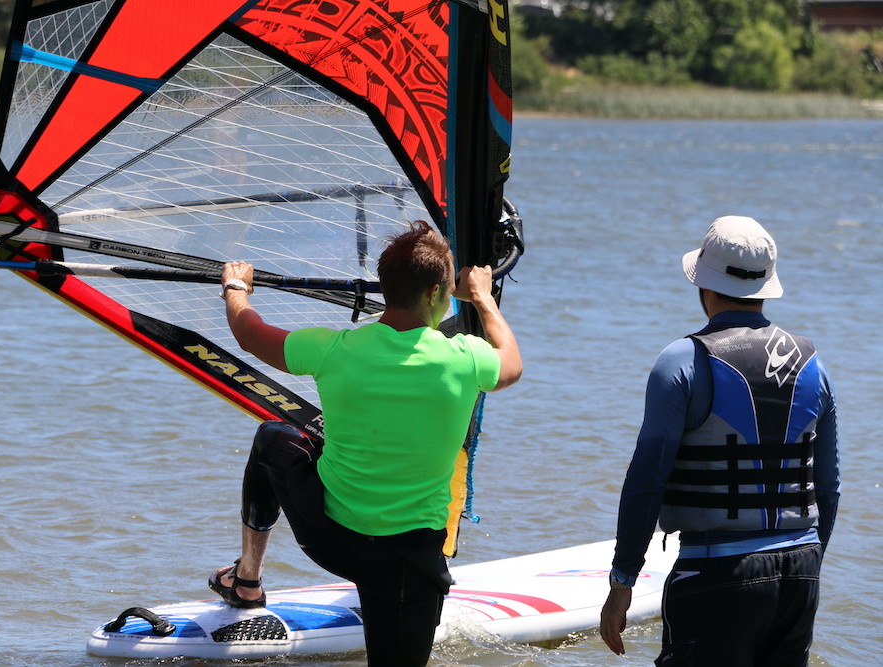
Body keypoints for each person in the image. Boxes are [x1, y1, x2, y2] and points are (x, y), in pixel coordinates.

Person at [211, 221, 522, 666]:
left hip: (330, 537)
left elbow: (248, 332)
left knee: (274, 438)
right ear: (436, 292)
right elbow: (512, 363)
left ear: (385, 288)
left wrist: (236, 286)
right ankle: (249, 580)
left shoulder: (333, 348)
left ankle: (247, 580)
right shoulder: (466, 358)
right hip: (407, 562)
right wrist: (483, 298)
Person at [599, 216, 840, 666]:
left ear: (704, 284)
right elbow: (827, 487)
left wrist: (622, 581)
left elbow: (646, 481)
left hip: (717, 573)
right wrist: (807, 566)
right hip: (801, 571)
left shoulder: (682, 362)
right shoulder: (815, 366)